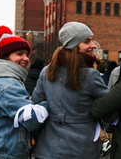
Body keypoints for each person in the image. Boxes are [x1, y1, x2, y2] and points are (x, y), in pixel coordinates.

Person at [31, 22, 110, 159]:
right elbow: (109, 105)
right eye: (87, 41)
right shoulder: (90, 75)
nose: (93, 45)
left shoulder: (47, 71)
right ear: (74, 46)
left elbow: (37, 104)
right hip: (81, 148)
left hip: (48, 148)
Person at [0, 25, 48, 159]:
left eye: (26, 54)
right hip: (1, 154)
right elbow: (31, 120)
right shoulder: (8, 85)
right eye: (19, 54)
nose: (26, 58)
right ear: (5, 57)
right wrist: (46, 103)